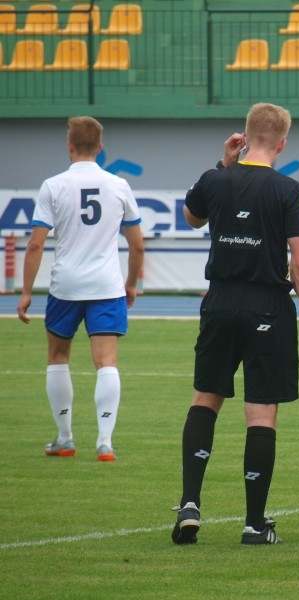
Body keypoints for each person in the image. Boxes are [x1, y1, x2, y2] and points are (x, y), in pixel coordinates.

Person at [171, 103, 299, 546]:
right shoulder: (290, 190)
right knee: (261, 411)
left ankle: (190, 504)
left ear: (244, 135)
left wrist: (224, 163)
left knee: (206, 398)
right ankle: (254, 524)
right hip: (267, 307)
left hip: (219, 301)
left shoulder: (214, 178)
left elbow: (192, 217)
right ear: (282, 144)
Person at [17, 116, 145, 462]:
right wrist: (131, 284)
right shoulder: (119, 185)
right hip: (107, 285)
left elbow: (35, 244)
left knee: (58, 357)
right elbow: (137, 245)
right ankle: (105, 442)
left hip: (65, 286)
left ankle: (65, 438)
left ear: (69, 146)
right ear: (100, 148)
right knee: (106, 362)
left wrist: (26, 292)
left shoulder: (53, 186)